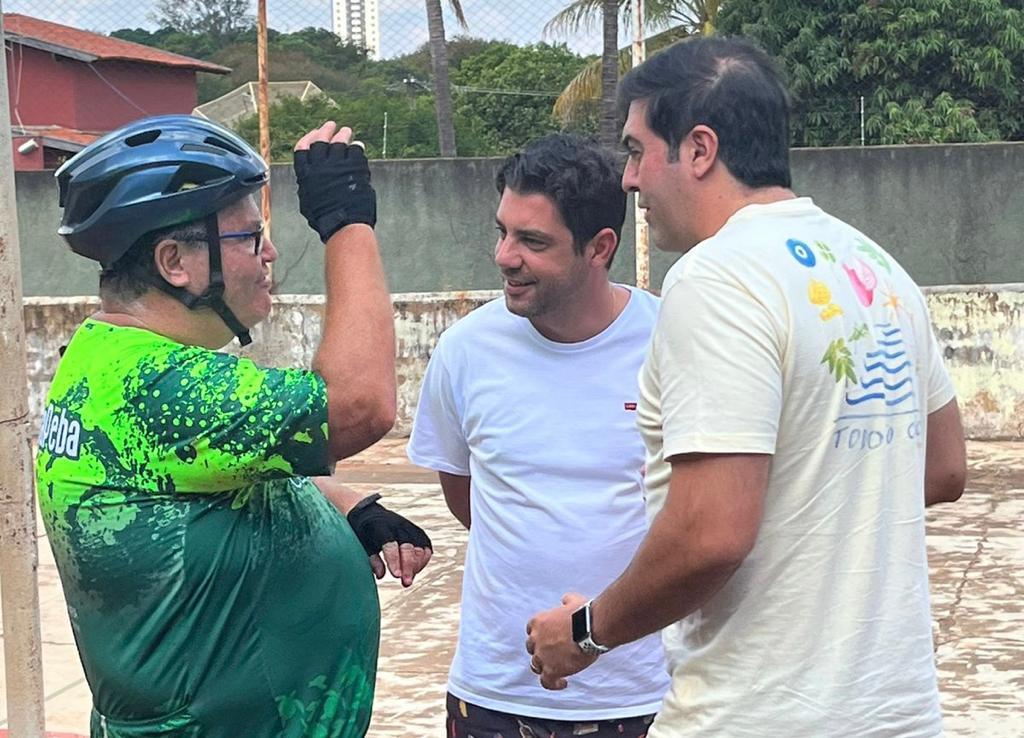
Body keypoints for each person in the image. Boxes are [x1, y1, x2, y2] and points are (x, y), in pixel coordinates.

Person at [526, 37, 967, 737]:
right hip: (896, 713)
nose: (629, 182)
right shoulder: (876, 267)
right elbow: (943, 468)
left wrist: (584, 632)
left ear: (699, 149)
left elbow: (710, 534)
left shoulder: (717, 278)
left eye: (638, 152)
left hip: (757, 714)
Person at [36, 115, 432, 738]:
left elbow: (198, 483)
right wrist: (346, 222)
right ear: (175, 262)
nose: (269, 253)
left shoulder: (107, 358)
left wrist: (347, 504)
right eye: (251, 236)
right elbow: (361, 404)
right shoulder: (160, 390)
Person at [407, 133, 669, 738]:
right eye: (502, 231)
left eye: (532, 241)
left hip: (645, 694)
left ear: (601, 247)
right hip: (494, 693)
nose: (504, 256)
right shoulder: (465, 351)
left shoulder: (671, 341)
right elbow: (464, 493)